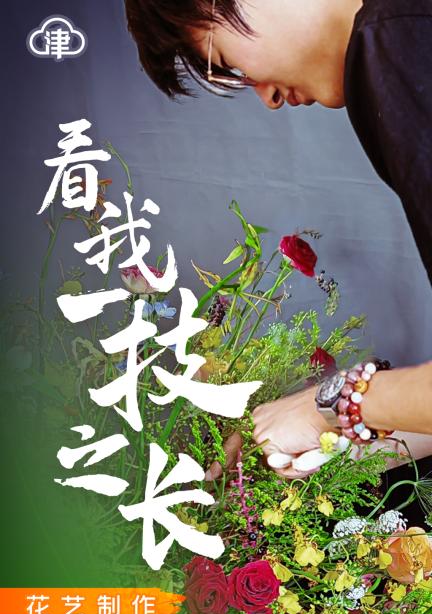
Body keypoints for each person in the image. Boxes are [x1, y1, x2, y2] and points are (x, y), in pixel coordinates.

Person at [124, 0, 432, 476]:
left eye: (227, 64)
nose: (266, 96)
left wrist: (333, 404)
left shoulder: (393, 38)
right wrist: (347, 439)